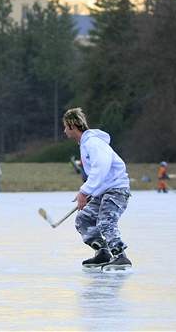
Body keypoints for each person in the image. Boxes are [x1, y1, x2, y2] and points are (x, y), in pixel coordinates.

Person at [63, 107, 132, 271]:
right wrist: (90, 192)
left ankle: (120, 256)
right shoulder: (85, 144)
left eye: (65, 126)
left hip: (116, 190)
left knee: (106, 222)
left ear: (73, 126)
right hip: (102, 191)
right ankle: (103, 252)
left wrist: (84, 191)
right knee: (83, 220)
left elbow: (101, 166)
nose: (64, 130)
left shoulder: (93, 142)